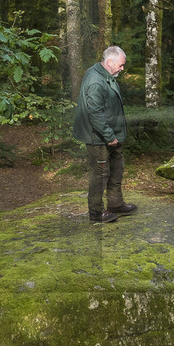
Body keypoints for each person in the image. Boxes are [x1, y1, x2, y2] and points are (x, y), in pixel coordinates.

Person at [73, 45, 137, 223]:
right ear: (110, 62)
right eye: (121, 65)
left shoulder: (106, 74)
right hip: (98, 137)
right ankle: (96, 212)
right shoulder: (95, 80)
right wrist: (109, 136)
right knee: (100, 175)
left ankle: (115, 204)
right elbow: (95, 113)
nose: (123, 69)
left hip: (111, 133)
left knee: (117, 167)